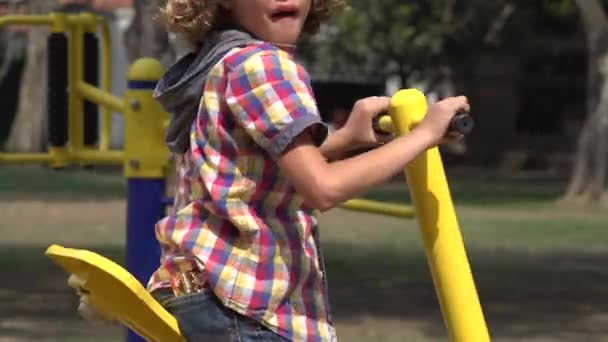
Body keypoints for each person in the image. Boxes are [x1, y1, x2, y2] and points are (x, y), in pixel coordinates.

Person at [147, 1, 469, 341]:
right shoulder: (266, 66)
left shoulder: (220, 63)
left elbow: (247, 161)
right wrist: (425, 135)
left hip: (202, 290)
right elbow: (323, 187)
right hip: (245, 302)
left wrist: (346, 138)